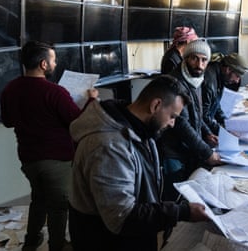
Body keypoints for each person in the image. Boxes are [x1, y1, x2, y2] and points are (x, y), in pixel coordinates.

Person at [68, 75, 209, 251]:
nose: (172, 124)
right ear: (155, 105)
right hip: (107, 242)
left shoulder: (140, 129)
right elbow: (122, 217)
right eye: (172, 116)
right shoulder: (107, 145)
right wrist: (182, 212)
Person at [0, 41, 98, 251]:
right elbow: (77, 123)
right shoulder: (55, 92)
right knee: (59, 207)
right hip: (56, 161)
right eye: (53, 60)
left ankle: (32, 241)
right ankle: (57, 245)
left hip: (28, 159)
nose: (55, 63)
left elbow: (8, 121)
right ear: (44, 64)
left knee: (39, 199)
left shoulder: (10, 88)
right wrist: (91, 100)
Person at [158, 40, 222, 201]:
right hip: (173, 151)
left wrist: (207, 133)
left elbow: (197, 113)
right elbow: (181, 124)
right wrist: (207, 153)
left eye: (204, 60)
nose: (199, 64)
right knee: (175, 199)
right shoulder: (175, 82)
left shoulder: (196, 79)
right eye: (194, 58)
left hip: (188, 148)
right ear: (185, 58)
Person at [202, 53, 248, 135]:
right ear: (228, 69)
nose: (237, 81)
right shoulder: (210, 82)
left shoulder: (219, 75)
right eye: (237, 76)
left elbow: (215, 105)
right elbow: (203, 116)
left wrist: (227, 123)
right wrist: (223, 132)